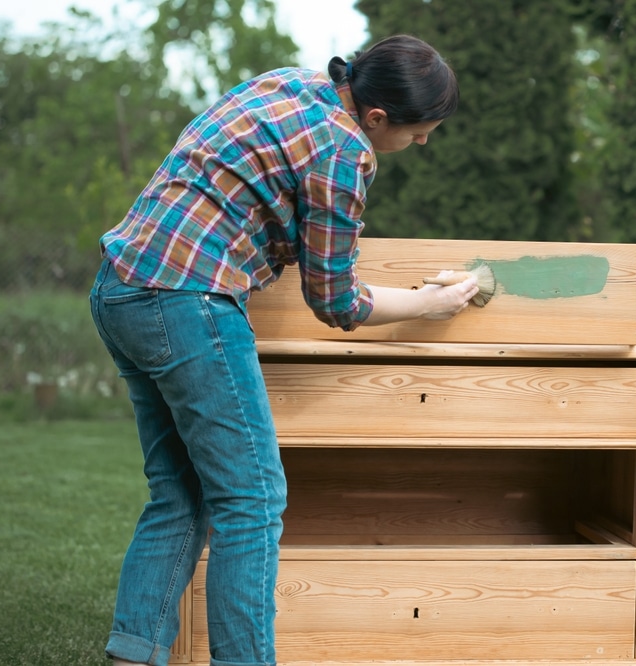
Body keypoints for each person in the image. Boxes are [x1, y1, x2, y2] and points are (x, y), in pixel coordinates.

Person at [89, 34, 477, 666]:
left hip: (121, 289)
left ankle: (133, 655)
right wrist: (427, 304)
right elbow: (336, 301)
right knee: (253, 499)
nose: (423, 142)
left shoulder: (289, 84)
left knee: (181, 494)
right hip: (189, 298)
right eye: (418, 132)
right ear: (378, 117)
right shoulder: (345, 150)